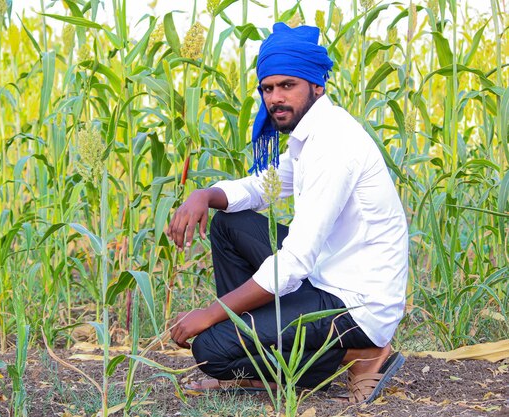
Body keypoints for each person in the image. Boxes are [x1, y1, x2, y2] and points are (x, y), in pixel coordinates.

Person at [166, 22, 408, 403]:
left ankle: (359, 353)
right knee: (229, 224)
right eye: (267, 88)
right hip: (327, 276)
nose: (275, 98)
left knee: (210, 349)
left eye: (287, 86)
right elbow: (265, 185)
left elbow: (294, 262)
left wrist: (214, 313)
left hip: (356, 305)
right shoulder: (310, 135)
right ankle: (254, 346)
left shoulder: (334, 145)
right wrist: (205, 194)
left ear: (316, 85)